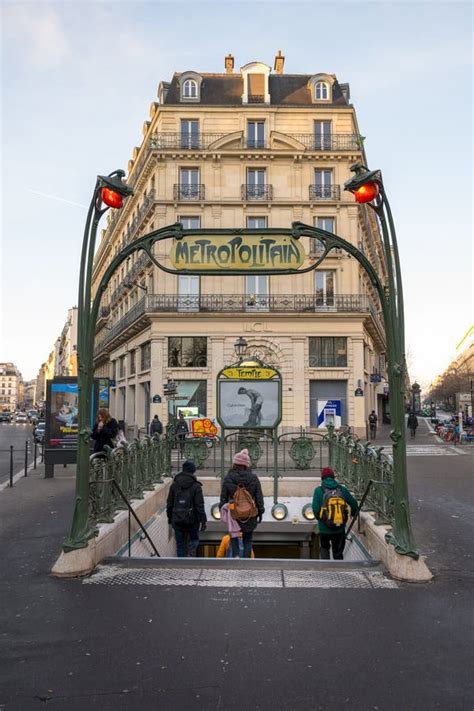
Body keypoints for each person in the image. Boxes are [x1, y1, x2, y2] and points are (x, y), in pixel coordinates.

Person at [219, 449, 264, 558]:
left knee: (234, 536)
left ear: (235, 463)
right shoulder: (253, 477)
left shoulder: (229, 477)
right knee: (248, 539)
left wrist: (222, 509)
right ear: (246, 464)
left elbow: (223, 496)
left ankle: (236, 556)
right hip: (249, 513)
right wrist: (260, 511)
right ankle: (247, 560)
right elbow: (259, 496)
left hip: (234, 511)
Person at [312, 467, 358, 561]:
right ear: (333, 477)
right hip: (339, 528)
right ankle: (338, 570)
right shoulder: (342, 490)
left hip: (324, 529)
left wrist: (322, 520)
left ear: (322, 478)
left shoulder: (318, 490)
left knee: (324, 549)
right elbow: (354, 503)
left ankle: (326, 571)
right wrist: (353, 514)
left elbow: (315, 509)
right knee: (338, 553)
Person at [166, 460, 207, 557]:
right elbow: (199, 505)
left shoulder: (174, 485)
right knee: (194, 540)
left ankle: (181, 564)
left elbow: (169, 503)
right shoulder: (196, 486)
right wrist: (203, 521)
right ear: (193, 471)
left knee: (180, 544)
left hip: (177, 518)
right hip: (192, 520)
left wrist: (170, 518)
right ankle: (191, 555)